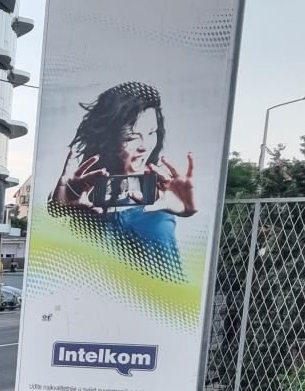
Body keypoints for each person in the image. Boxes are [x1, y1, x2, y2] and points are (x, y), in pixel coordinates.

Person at [49, 82, 197, 280]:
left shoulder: (164, 192)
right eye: (131, 137)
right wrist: (58, 206)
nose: (145, 146)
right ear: (107, 138)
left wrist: (187, 209)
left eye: (152, 132)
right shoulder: (85, 195)